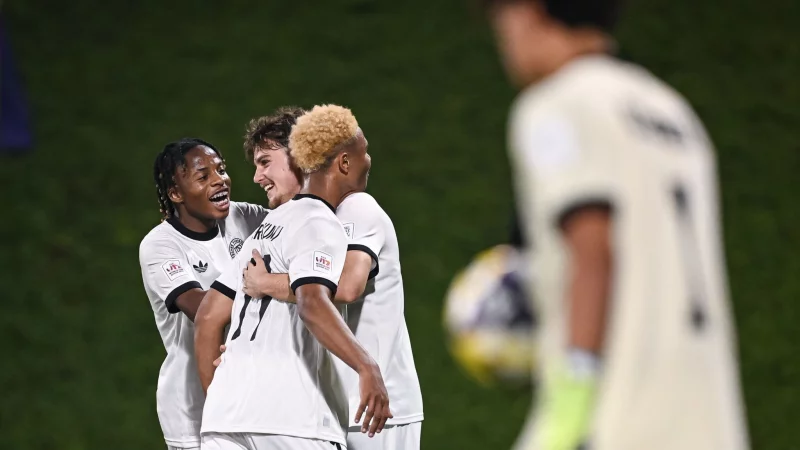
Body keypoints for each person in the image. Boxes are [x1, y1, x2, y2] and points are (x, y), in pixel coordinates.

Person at [481, 1, 750, 449]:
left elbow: (593, 248)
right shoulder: (672, 110)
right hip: (711, 424)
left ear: (528, 12)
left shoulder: (554, 105)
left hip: (620, 419)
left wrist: (570, 404)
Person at [196, 105, 392, 450]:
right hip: (294, 418)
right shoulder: (318, 219)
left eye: (264, 162)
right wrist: (367, 367)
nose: (257, 177)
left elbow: (208, 317)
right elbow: (314, 300)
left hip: (224, 418)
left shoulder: (263, 231)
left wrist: (228, 396)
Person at [242, 139, 424, 450]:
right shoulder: (296, 223)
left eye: (266, 162)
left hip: (374, 408)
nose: (258, 177)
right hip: (327, 409)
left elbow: (346, 286)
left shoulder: (355, 207)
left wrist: (266, 282)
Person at [139, 138, 269, 450]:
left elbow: (296, 227)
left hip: (250, 399)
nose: (219, 180)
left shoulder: (245, 217)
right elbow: (202, 311)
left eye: (221, 169)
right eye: (203, 176)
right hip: (194, 410)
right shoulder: (161, 245)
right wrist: (265, 284)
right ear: (176, 194)